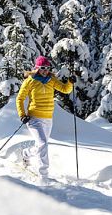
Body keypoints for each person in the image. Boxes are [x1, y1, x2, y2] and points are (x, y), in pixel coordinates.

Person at [16, 55, 75, 183]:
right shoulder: (30, 81)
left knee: (41, 145)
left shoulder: (51, 80)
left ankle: (26, 153)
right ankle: (43, 176)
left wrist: (70, 82)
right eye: (43, 68)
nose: (45, 71)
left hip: (48, 118)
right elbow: (20, 98)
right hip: (33, 118)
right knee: (43, 143)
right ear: (37, 68)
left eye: (47, 68)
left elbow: (65, 89)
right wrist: (22, 114)